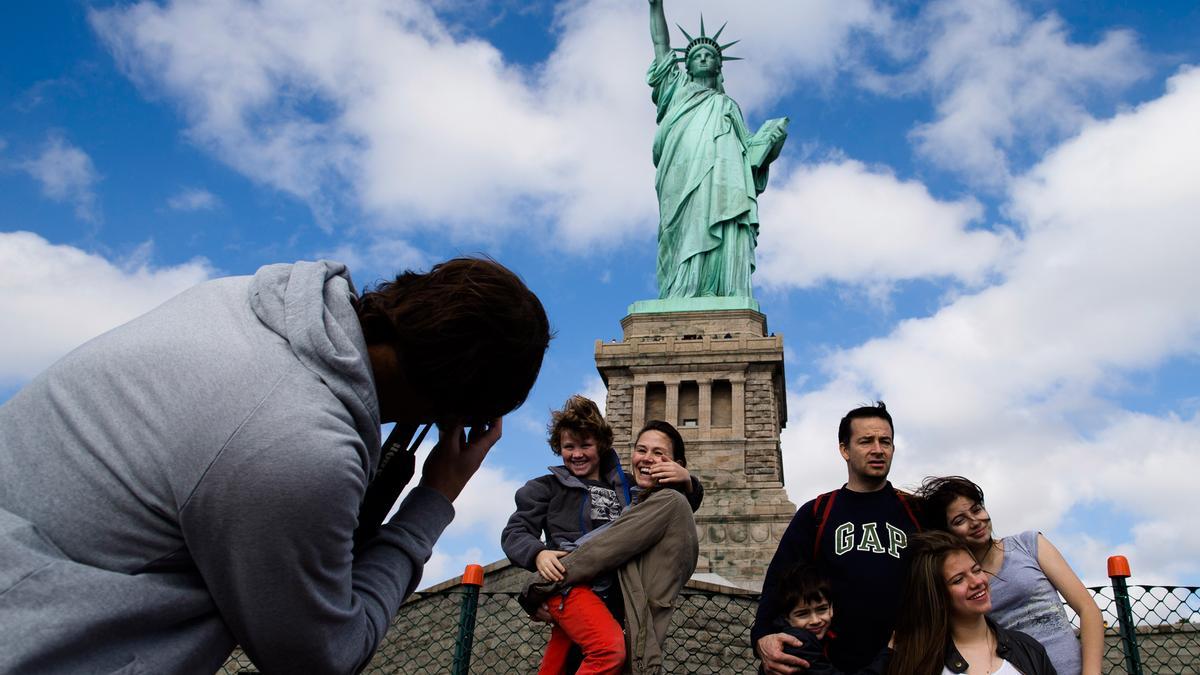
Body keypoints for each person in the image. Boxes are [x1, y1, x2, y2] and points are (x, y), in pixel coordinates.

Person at [0, 257, 550, 674]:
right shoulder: (300, 447)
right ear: (452, 410)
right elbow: (323, 657)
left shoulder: (237, 300)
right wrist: (435, 497)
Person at [502, 396, 703, 675]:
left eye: (586, 445)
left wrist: (689, 482)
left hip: (612, 598)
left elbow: (671, 511)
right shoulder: (546, 487)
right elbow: (515, 532)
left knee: (559, 664)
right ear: (557, 447)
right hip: (571, 587)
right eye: (568, 447)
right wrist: (538, 553)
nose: (577, 454)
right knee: (608, 651)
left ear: (602, 445)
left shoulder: (628, 488)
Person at [754, 402, 922, 674]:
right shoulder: (817, 512)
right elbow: (778, 580)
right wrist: (761, 636)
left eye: (885, 442)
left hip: (906, 659)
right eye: (866, 441)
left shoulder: (917, 511)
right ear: (844, 449)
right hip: (830, 662)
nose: (878, 450)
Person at [646, 0, 788, 299]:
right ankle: (681, 290)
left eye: (709, 55)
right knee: (683, 226)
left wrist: (769, 143)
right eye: (696, 55)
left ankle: (716, 287)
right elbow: (660, 44)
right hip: (681, 170)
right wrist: (655, 6)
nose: (702, 58)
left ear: (718, 66)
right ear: (687, 64)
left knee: (721, 220)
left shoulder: (726, 104)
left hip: (724, 176)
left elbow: (749, 153)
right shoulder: (677, 91)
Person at [915, 476, 1102, 675]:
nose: (975, 521)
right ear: (947, 532)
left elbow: (1088, 608)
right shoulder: (963, 586)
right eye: (960, 520)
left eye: (977, 509)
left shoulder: (1028, 544)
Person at [888, 531, 1058, 675]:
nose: (976, 582)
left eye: (976, 570)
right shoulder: (919, 662)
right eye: (958, 580)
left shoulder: (1028, 648)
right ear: (938, 596)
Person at [759, 563, 891, 675]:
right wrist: (889, 653)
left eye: (822, 609)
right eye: (802, 614)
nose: (815, 620)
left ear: (831, 607)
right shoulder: (798, 645)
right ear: (786, 617)